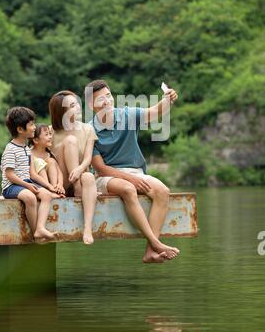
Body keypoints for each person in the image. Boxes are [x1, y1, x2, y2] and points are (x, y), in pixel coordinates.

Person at [85, 79, 180, 264]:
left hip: (135, 172)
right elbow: (100, 168)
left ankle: (150, 252)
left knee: (163, 191)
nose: (106, 102)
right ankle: (155, 242)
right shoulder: (90, 129)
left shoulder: (127, 115)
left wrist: (168, 99)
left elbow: (155, 111)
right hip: (106, 177)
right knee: (128, 189)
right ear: (91, 104)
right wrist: (131, 179)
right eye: (100, 99)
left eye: (109, 96)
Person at [1, 107, 59, 243]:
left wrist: (50, 187)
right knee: (30, 197)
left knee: (46, 195)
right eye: (31, 124)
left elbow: (32, 173)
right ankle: (36, 233)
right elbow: (9, 175)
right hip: (11, 186)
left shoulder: (26, 148)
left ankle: (41, 227)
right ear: (20, 129)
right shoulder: (10, 149)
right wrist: (27, 186)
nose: (34, 127)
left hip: (26, 182)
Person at [49, 91, 98, 245]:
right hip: (60, 181)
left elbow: (88, 158)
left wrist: (79, 170)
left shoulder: (87, 129)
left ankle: (87, 228)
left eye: (77, 103)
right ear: (61, 111)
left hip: (80, 176)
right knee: (70, 141)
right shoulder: (50, 131)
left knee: (89, 176)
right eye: (71, 105)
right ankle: (77, 186)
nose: (77, 107)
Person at [29, 123, 65, 197]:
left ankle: (55, 190)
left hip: (51, 186)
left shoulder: (49, 154)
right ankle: (50, 191)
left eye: (50, 134)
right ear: (36, 140)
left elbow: (59, 173)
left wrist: (60, 185)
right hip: (37, 185)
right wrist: (48, 186)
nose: (50, 137)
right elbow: (32, 175)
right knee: (39, 162)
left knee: (51, 161)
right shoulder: (30, 154)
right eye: (46, 135)